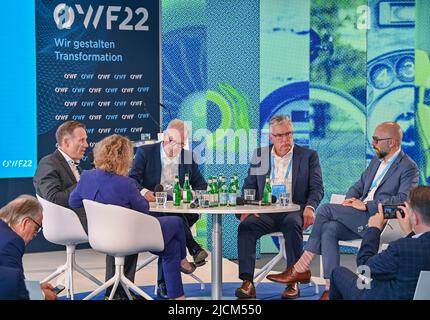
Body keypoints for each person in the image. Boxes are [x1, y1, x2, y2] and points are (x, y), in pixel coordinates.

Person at [267, 121, 419, 300]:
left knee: (324, 210)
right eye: (373, 139)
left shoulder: (408, 167)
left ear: (392, 142)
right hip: (359, 215)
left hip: (381, 219)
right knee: (329, 228)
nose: (373, 143)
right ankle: (330, 288)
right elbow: (359, 185)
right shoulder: (376, 162)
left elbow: (403, 199)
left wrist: (367, 205)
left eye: (377, 140)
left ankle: (301, 267)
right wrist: (350, 199)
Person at [69, 134, 194, 300]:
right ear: (124, 158)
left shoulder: (86, 177)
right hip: (129, 238)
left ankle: (177, 296)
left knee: (171, 247)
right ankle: (183, 260)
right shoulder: (126, 183)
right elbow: (143, 209)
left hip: (99, 237)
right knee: (177, 222)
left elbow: (73, 202)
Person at [235, 115, 324, 299]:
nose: (286, 139)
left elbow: (317, 189)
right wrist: (248, 207)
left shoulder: (308, 156)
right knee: (246, 226)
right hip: (266, 211)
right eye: (280, 135)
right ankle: (247, 282)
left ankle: (293, 280)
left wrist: (310, 207)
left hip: (293, 210)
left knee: (292, 224)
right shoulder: (260, 155)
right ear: (271, 137)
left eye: (289, 134)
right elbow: (249, 186)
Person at [129, 119, 208, 299]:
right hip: (152, 210)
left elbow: (201, 185)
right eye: (175, 143)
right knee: (173, 219)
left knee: (174, 220)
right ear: (165, 139)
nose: (179, 148)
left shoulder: (187, 157)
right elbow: (131, 179)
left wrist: (190, 193)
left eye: (182, 143)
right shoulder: (146, 152)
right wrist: (144, 192)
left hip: (179, 210)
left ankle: (165, 283)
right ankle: (193, 247)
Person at [330, 186, 430, 300]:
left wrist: (374, 229)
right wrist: (409, 233)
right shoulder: (411, 246)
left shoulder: (401, 249)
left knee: (337, 273)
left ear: (415, 218)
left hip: (375, 294)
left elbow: (364, 268)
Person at [33, 121, 88, 231]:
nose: (86, 145)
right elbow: (53, 199)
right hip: (65, 223)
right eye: (81, 140)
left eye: (86, 140)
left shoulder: (77, 167)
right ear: (66, 142)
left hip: (83, 218)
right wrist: (84, 184)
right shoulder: (48, 162)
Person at [0, 195, 57, 300]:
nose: (35, 234)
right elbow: (11, 291)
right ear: (25, 222)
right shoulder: (11, 242)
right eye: (37, 228)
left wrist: (34, 288)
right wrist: (42, 295)